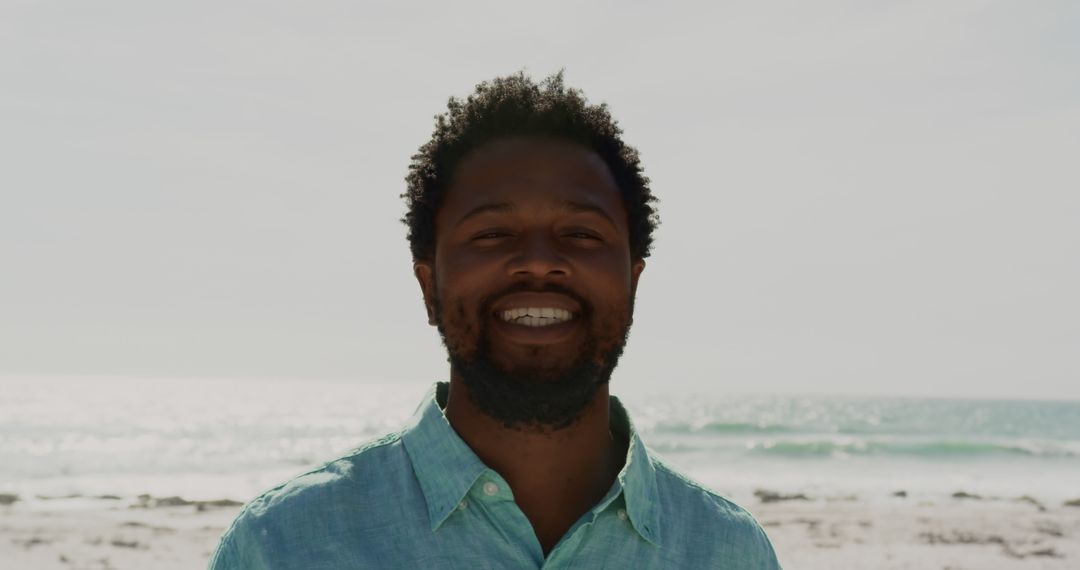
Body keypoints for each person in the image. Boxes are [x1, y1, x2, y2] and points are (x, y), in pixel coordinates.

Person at [210, 71, 782, 569]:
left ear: (632, 282)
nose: (539, 261)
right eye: (491, 234)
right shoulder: (281, 545)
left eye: (581, 234)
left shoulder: (729, 552)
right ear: (428, 286)